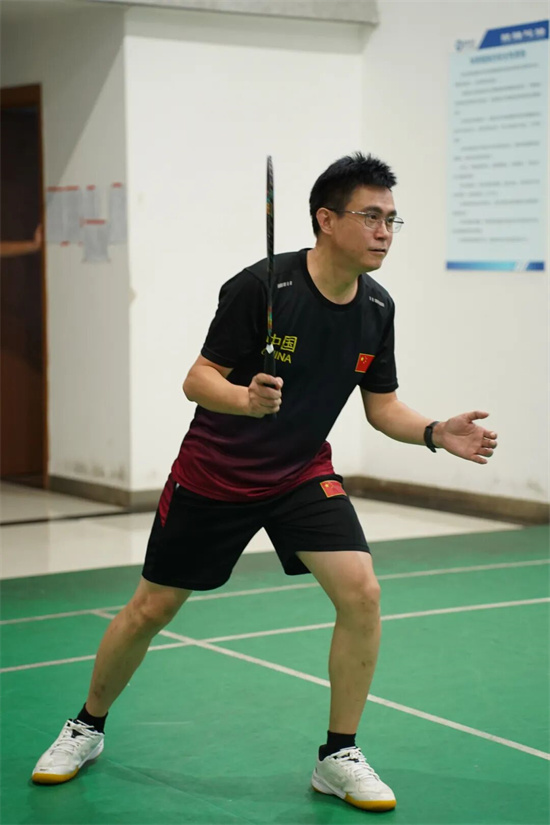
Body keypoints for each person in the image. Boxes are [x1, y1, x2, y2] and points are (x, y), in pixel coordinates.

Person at [31, 153, 497, 811]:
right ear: (325, 219)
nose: (384, 232)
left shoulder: (376, 307)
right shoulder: (262, 287)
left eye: (392, 219)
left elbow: (382, 406)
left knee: (362, 593)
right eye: (371, 216)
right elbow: (198, 379)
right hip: (216, 473)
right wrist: (245, 400)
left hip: (301, 472)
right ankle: (86, 726)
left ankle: (338, 754)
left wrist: (434, 432)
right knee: (151, 609)